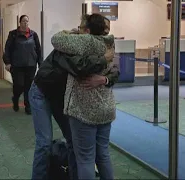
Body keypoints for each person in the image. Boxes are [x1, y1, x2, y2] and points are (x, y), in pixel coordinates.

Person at [29, 14, 118, 180]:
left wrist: (104, 78)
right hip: (41, 93)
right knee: (45, 142)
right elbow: (79, 67)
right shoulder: (70, 46)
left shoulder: (99, 46)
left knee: (73, 142)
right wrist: (103, 60)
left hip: (60, 97)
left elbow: (115, 71)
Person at [3, 15, 42, 114]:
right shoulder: (13, 34)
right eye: (24, 21)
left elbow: (38, 50)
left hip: (31, 65)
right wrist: (7, 62)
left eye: (27, 21)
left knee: (28, 87)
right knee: (19, 85)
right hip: (17, 66)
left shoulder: (34, 35)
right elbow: (7, 49)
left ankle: (27, 106)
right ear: (19, 23)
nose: (26, 23)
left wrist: (40, 64)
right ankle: (15, 98)